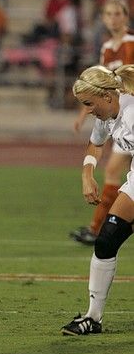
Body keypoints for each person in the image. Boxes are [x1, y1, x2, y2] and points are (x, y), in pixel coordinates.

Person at [62, 64, 134, 335]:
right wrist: (87, 174)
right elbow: (96, 143)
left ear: (107, 96)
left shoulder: (132, 113)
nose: (88, 110)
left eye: (90, 104)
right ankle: (93, 318)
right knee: (106, 241)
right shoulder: (107, 116)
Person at [70, 0, 134, 244]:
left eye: (118, 14)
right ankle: (99, 228)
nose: (113, 19)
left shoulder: (130, 42)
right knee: (114, 172)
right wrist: (84, 113)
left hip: (127, 119)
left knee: (112, 171)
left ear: (126, 17)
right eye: (108, 14)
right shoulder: (107, 47)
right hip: (118, 119)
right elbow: (95, 88)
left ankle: (98, 228)